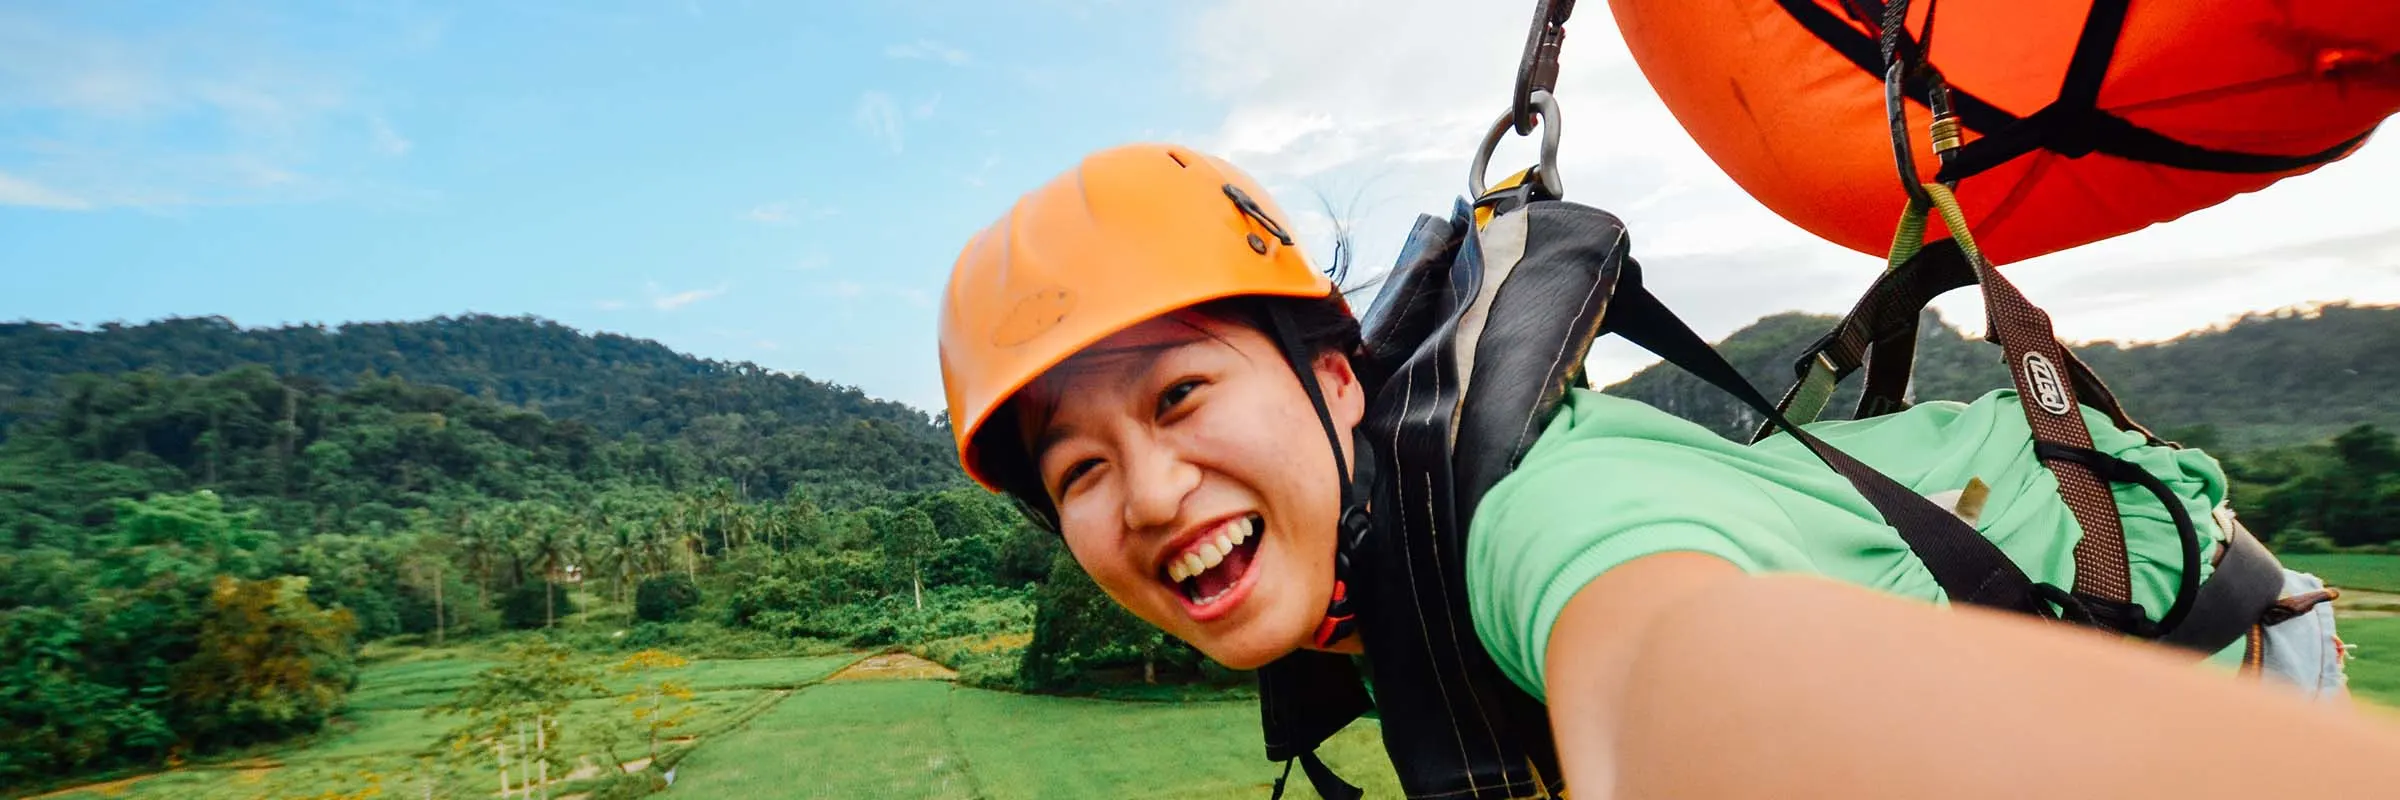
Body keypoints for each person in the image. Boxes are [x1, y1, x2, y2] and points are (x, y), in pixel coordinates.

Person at [935, 142, 2400, 798]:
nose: (1147, 492)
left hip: (2209, 650)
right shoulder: (1368, 561)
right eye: (1075, 471)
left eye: (1182, 392)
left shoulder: (1533, 526)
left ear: (1332, 382)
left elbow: (1679, 669)